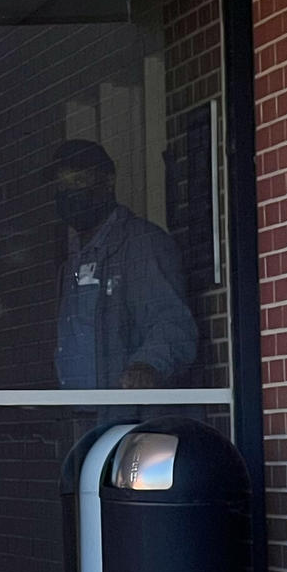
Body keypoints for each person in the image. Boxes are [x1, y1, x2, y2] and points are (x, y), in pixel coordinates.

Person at [48, 140, 199, 390]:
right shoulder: (72, 259)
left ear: (108, 182)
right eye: (61, 185)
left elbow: (173, 324)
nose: (69, 193)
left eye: (78, 182)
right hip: (77, 413)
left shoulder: (142, 244)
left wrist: (146, 366)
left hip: (126, 415)